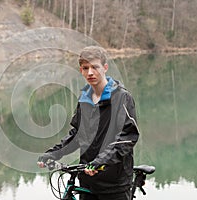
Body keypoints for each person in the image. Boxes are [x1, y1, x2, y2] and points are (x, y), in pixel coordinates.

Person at [37, 46, 140, 200]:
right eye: (86, 68)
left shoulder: (121, 97)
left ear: (105, 68)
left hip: (114, 184)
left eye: (95, 67)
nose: (90, 72)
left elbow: (127, 137)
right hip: (87, 181)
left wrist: (101, 161)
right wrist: (54, 153)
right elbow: (77, 135)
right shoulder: (84, 100)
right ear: (81, 70)